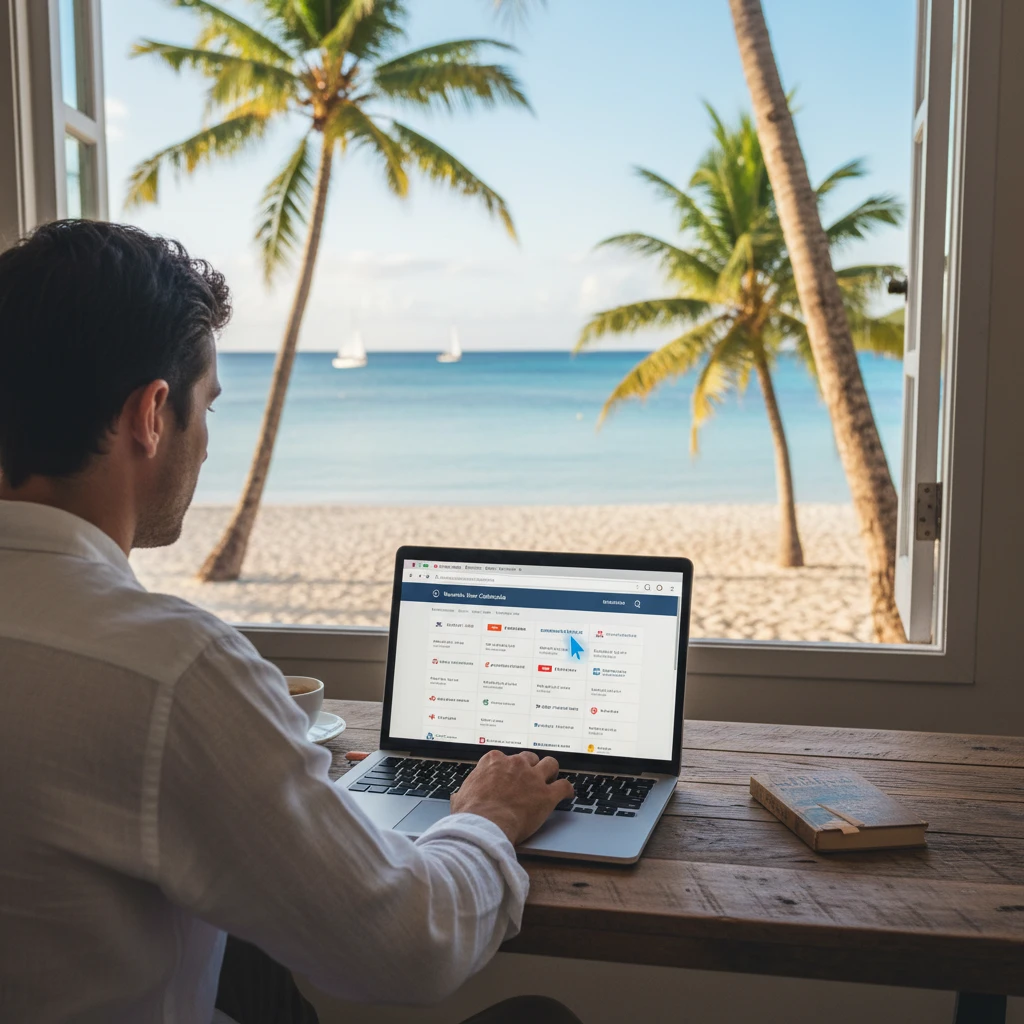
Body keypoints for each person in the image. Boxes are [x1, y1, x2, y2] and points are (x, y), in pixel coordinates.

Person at [0, 221, 580, 1024]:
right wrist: (488, 817)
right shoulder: (167, 667)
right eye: (206, 406)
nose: (205, 446)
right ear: (151, 414)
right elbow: (411, 946)